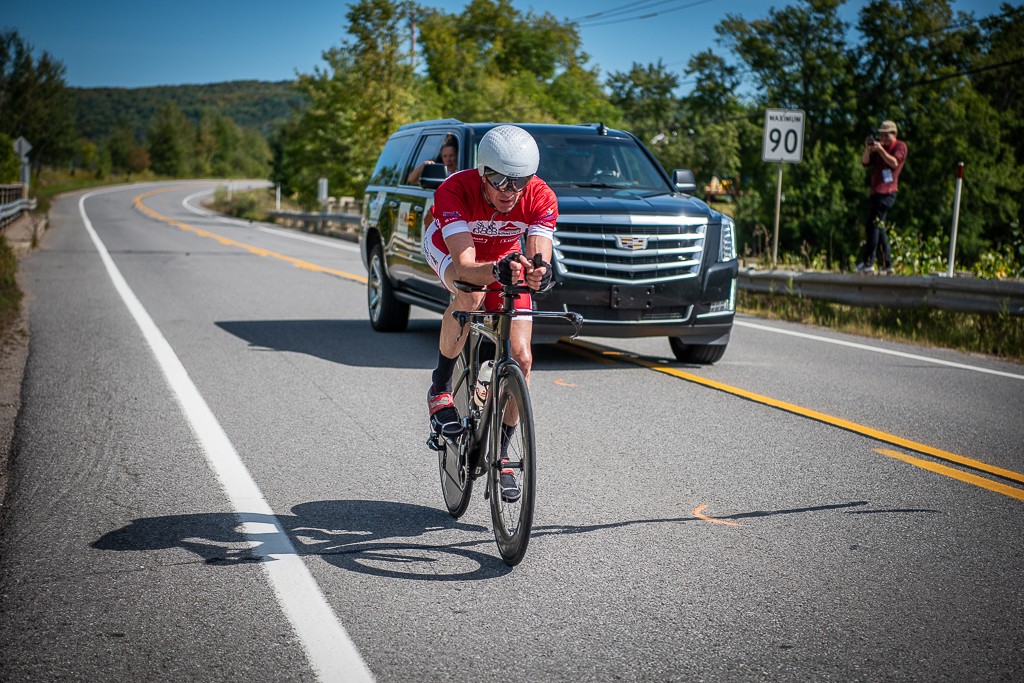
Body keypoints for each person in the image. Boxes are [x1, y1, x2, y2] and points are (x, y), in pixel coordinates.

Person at [421, 125, 556, 502]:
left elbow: (538, 256)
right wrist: (496, 269)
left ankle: (502, 452)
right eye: (498, 180)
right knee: (471, 295)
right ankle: (441, 387)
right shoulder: (454, 190)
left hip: (502, 256)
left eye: (520, 181)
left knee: (523, 358)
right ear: (482, 171)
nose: (509, 191)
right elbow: (465, 267)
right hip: (451, 251)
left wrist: (539, 273)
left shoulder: (542, 196)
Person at [858, 120, 907, 275]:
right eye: (881, 135)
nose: (883, 139)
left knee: (873, 226)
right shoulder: (880, 148)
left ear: (895, 134)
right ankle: (888, 263)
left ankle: (869, 262)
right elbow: (865, 162)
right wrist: (868, 148)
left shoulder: (900, 146)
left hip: (887, 192)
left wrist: (880, 150)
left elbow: (894, 162)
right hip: (875, 192)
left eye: (886, 135)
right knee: (879, 227)